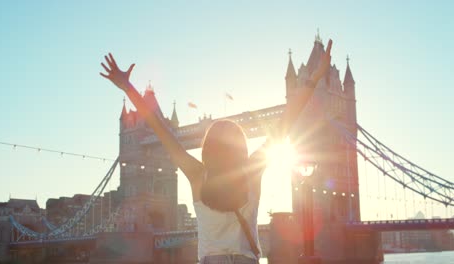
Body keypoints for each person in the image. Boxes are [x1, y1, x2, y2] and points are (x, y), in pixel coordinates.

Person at [100, 39, 332, 264]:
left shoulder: (197, 175)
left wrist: (128, 88)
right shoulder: (252, 172)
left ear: (208, 149)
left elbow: (162, 132)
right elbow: (286, 123)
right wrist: (314, 78)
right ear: (241, 148)